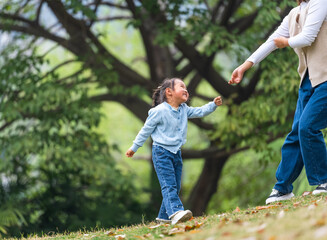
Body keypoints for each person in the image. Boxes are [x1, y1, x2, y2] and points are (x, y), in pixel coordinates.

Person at [229, 0, 327, 204]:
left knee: (308, 127)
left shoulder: (321, 2)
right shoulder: (293, 14)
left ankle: (324, 180)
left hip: (325, 79)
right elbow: (272, 41)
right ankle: (282, 188)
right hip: (307, 81)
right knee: (297, 132)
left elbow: (308, 37)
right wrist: (244, 66)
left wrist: (287, 43)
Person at [125, 78, 222, 224]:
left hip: (176, 153)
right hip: (161, 153)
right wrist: (134, 147)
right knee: (168, 185)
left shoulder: (184, 109)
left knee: (175, 186)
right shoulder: (159, 111)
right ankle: (176, 211)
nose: (186, 90)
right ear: (169, 92)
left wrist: (213, 105)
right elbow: (145, 131)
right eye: (181, 86)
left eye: (186, 88)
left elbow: (200, 111)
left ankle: (164, 218)